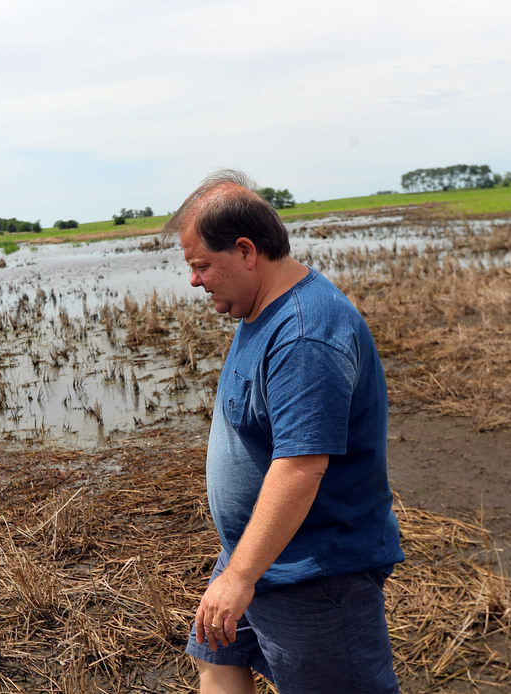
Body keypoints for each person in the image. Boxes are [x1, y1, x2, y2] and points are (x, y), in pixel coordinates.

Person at [163, 170, 403, 693]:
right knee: (217, 661)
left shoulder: (304, 335)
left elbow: (300, 468)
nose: (195, 281)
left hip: (313, 572)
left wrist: (240, 577)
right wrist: (239, 568)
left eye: (201, 265)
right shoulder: (261, 310)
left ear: (246, 251)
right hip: (257, 555)